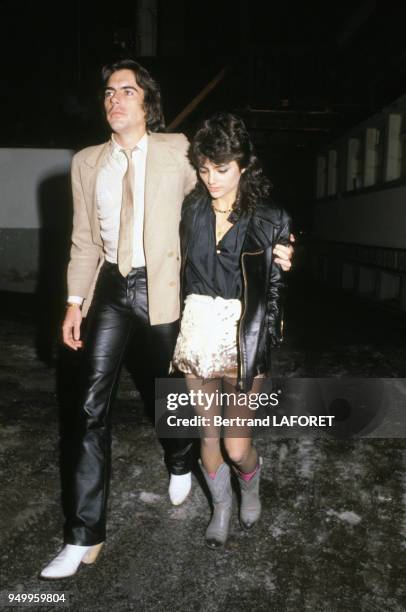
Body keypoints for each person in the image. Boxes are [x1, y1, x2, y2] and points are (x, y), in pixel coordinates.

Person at [40, 60, 293, 579]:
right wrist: (73, 301)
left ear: (147, 102)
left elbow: (233, 196)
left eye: (127, 91)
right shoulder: (85, 163)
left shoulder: (179, 149)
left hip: (166, 291)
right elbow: (84, 239)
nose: (115, 100)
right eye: (108, 91)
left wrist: (280, 248)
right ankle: (83, 534)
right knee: (88, 406)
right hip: (110, 287)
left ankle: (181, 459)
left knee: (172, 393)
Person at [172, 112, 291, 548]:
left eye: (221, 169)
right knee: (208, 435)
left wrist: (267, 339)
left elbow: (275, 290)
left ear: (243, 165)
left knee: (237, 445)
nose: (212, 179)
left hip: (244, 340)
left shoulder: (270, 218)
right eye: (204, 169)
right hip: (197, 333)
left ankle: (251, 485)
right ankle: (220, 507)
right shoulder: (192, 209)